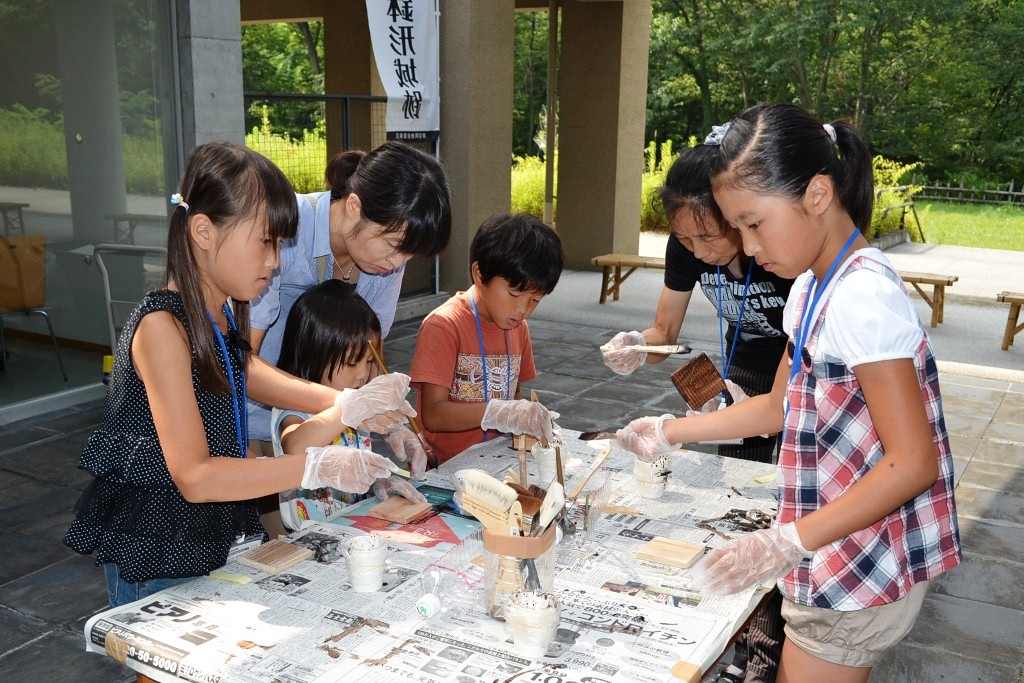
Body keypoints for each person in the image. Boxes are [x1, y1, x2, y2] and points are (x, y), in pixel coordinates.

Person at [616, 105, 961, 683]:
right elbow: (777, 405)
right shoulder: (809, 288)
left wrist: (785, 542)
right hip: (833, 544)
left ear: (818, 194)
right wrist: (669, 430)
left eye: (754, 223)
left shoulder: (862, 296)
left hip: (861, 558)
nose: (747, 248)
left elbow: (913, 463)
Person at [64, 142, 413, 612]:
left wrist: (348, 405)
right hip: (160, 544)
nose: (274, 261)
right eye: (266, 242)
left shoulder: (220, 314)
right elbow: (195, 476)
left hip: (211, 531)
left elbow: (244, 371)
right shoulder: (162, 328)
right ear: (204, 231)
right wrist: (315, 466)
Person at [247, 140, 452, 446]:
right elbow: (241, 365)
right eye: (394, 246)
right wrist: (348, 405)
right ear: (354, 207)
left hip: (321, 423)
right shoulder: (285, 229)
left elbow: (370, 356)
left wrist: (393, 424)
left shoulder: (386, 261)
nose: (397, 264)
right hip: (250, 422)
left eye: (409, 255)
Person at [601, 143, 794, 465]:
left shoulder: (777, 254)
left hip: (796, 366)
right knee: (741, 470)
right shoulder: (685, 247)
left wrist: (671, 431)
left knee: (795, 468)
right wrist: (637, 345)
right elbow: (665, 332)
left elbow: (785, 396)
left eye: (708, 236)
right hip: (744, 363)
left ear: (736, 217)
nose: (698, 252)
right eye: (685, 238)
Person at [271, 279, 427, 530]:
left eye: (368, 361)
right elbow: (295, 445)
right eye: (353, 362)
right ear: (315, 353)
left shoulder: (355, 396)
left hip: (353, 525)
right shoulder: (296, 408)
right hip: (313, 537)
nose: (362, 375)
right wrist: (350, 408)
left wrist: (379, 483)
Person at [410, 213, 564, 463]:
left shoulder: (518, 328)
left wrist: (523, 416)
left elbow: (513, 395)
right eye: (514, 294)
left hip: (499, 459)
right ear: (479, 274)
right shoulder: (444, 326)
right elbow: (433, 415)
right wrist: (497, 412)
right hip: (450, 466)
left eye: (535, 300)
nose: (523, 309)